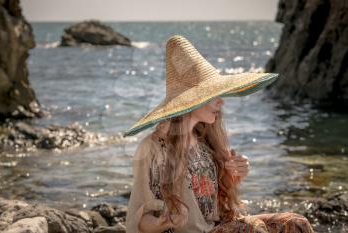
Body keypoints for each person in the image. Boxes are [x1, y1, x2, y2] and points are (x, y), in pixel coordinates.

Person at [123, 35, 315, 233]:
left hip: (217, 227)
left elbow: (219, 205)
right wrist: (161, 223)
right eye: (214, 95)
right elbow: (139, 217)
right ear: (193, 101)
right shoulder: (152, 148)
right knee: (251, 228)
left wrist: (234, 177)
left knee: (295, 222)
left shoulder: (206, 142)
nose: (221, 102)